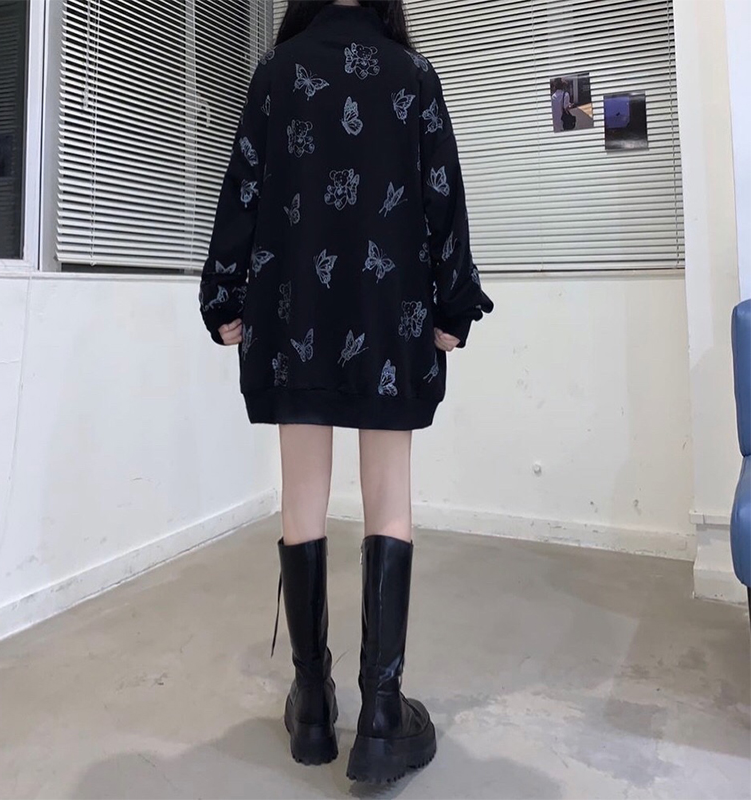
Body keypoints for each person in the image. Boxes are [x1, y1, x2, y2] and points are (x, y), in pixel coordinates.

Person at [198, 0, 493, 784]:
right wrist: (454, 306)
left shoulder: (275, 72)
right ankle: (382, 715)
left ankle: (312, 706)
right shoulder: (413, 74)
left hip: (294, 313)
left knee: (302, 498)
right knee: (388, 499)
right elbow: (443, 197)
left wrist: (223, 294)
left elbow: (243, 188)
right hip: (389, 315)